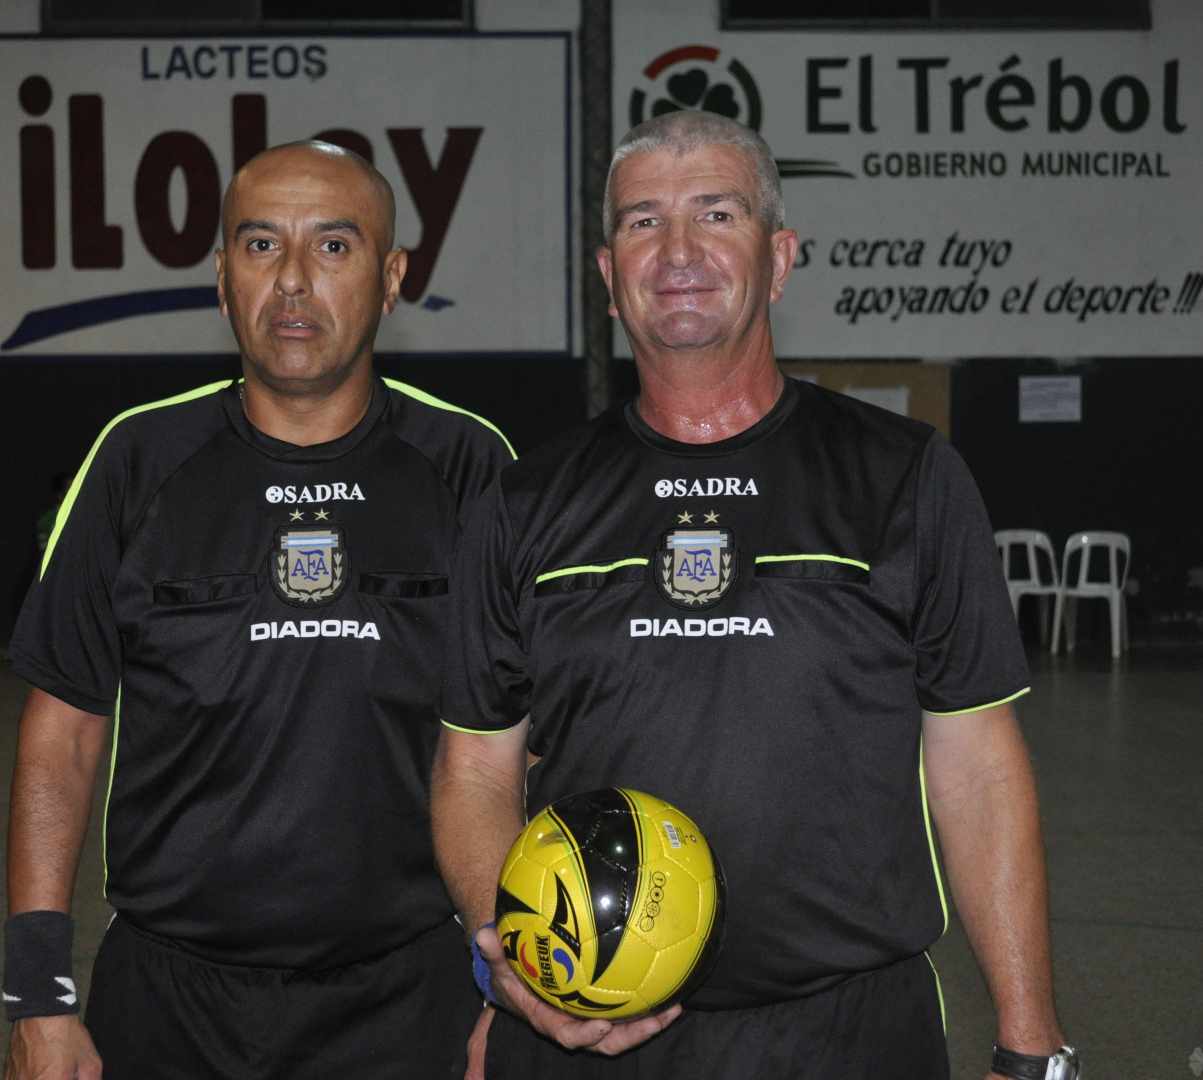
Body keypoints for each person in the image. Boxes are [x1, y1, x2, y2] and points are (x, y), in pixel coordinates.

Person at [432, 111, 1077, 1080]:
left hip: (849, 1035)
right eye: (643, 222)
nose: (677, 250)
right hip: (592, 1036)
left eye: (716, 214)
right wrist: (518, 967)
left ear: (778, 259)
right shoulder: (525, 501)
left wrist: (1031, 1047)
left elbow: (979, 768)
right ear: (609, 276)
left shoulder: (903, 477)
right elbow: (476, 771)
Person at [2, 140, 514, 1080]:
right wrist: (39, 994)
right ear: (221, 277)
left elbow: (518, 747)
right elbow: (62, 733)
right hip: (168, 1004)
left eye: (333, 246)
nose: (292, 280)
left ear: (392, 278)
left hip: (408, 1002)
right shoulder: (134, 462)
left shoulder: (470, 467)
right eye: (261, 244)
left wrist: (508, 988)